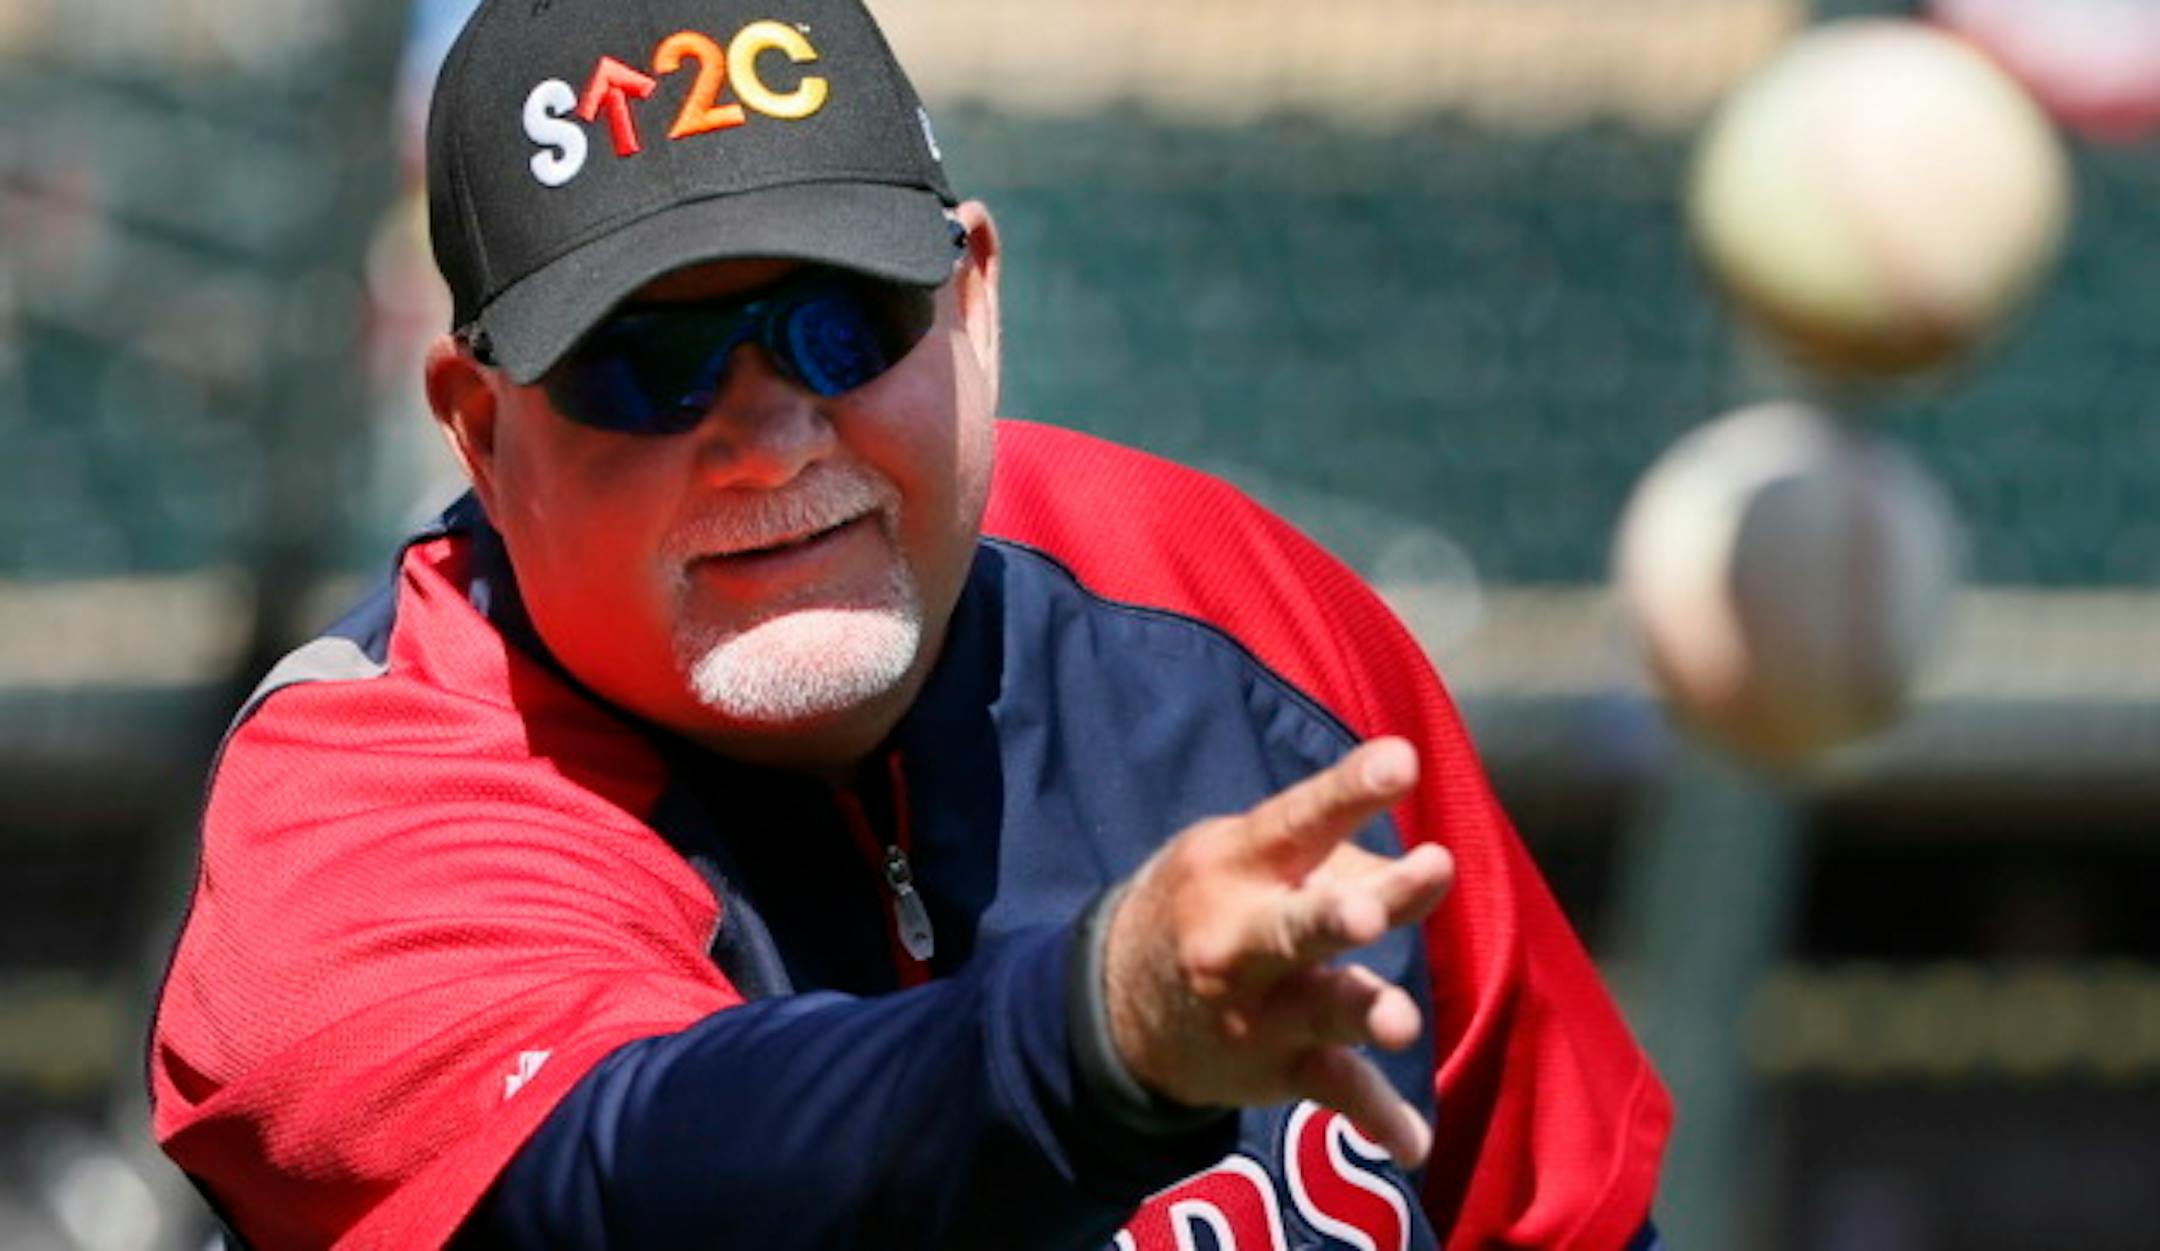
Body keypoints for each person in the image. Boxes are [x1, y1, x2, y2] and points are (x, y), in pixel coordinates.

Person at [148, 0, 1672, 1246]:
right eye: (648, 365)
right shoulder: (365, 804)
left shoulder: (1226, 614)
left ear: (973, 303)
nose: (773, 437)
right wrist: (1093, 1040)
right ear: (480, 429)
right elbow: (631, 1182)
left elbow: (1562, 1210)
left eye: (841, 321)